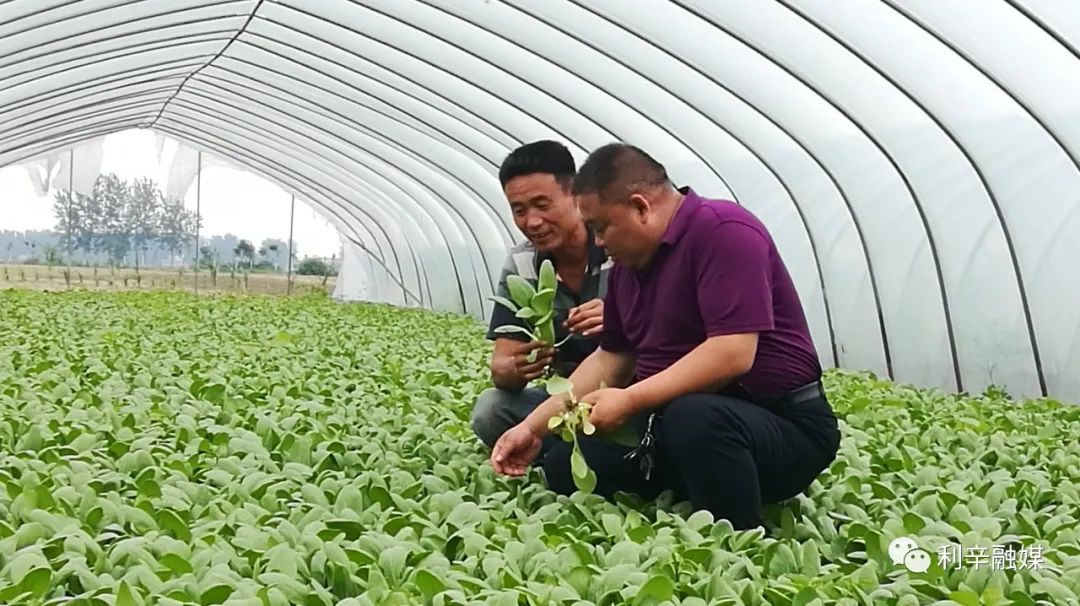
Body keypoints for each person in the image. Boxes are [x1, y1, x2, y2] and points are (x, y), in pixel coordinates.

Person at [490, 143, 841, 530]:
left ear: (641, 206)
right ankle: (697, 487)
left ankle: (738, 534)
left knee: (695, 417)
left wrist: (629, 400)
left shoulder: (724, 231)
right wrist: (531, 427)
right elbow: (611, 358)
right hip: (674, 430)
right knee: (566, 466)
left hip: (782, 427)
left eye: (601, 227)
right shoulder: (628, 268)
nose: (600, 242)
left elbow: (732, 354)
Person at [471, 140, 612, 450]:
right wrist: (511, 370)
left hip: (623, 392)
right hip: (562, 399)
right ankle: (571, 445)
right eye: (519, 210)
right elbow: (503, 363)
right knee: (491, 410)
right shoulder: (522, 264)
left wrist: (620, 317)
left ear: (575, 195)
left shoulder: (614, 244)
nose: (532, 222)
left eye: (542, 205)